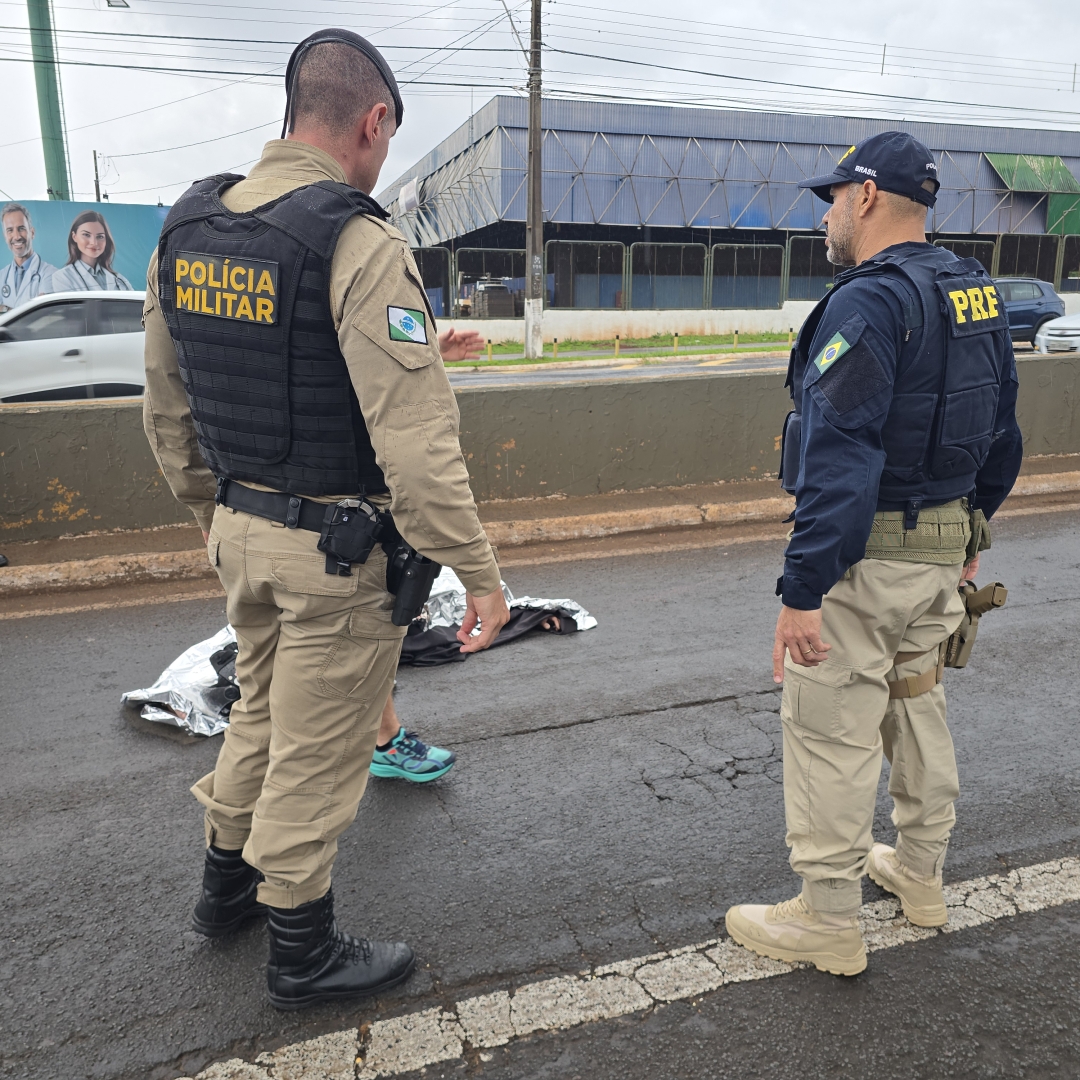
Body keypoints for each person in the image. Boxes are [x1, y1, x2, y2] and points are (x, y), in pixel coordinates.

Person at [141, 29, 509, 1010]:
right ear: (373, 120)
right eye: (388, 139)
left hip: (239, 534)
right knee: (320, 744)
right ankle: (302, 949)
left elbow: (166, 413)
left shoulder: (190, 227)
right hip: (335, 555)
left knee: (259, 713)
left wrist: (220, 518)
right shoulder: (356, 238)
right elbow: (418, 450)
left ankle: (226, 893)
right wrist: (479, 572)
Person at [724, 132, 1022, 976]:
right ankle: (921, 879)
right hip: (943, 552)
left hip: (871, 560)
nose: (825, 216)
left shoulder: (867, 303)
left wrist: (802, 590)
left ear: (865, 197)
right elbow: (1004, 433)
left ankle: (826, 919)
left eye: (831, 199)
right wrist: (968, 538)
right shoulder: (975, 293)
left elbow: (840, 456)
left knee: (832, 728)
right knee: (916, 703)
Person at [45, 209, 132, 292]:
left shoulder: (120, 280)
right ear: (74, 236)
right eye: (86, 235)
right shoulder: (62, 277)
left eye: (100, 236)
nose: (94, 242)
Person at [0, 202, 56, 312]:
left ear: (32, 233)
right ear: (5, 236)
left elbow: (45, 315)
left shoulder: (51, 274)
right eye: (10, 230)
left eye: (21, 228)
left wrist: (4, 308)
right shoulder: (1, 276)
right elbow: (32, 315)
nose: (16, 236)